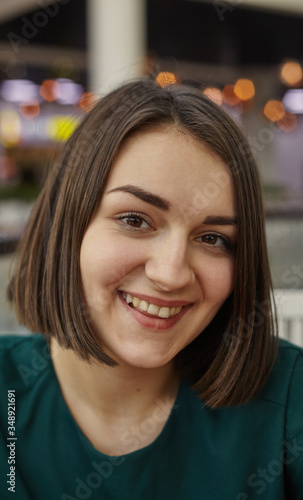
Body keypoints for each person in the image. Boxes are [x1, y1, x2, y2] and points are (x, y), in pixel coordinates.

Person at [0, 77, 302, 500]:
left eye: (213, 238)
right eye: (135, 220)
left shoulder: (289, 397)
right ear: (66, 226)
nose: (172, 273)